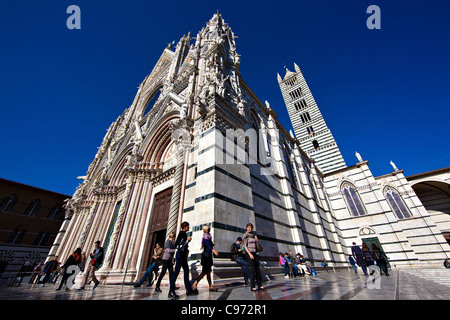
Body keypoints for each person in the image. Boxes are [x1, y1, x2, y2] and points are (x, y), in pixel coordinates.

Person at [168, 221, 196, 298]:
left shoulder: (183, 234)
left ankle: (188, 289)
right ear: (185, 227)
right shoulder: (181, 233)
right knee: (176, 272)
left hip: (183, 256)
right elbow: (178, 245)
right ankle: (171, 291)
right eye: (188, 226)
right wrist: (187, 241)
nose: (188, 228)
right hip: (180, 255)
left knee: (186, 270)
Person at [192, 225, 219, 292]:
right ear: (206, 229)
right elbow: (208, 246)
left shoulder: (208, 236)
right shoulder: (205, 237)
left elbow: (209, 244)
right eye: (208, 228)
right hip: (206, 256)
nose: (209, 229)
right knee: (205, 272)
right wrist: (214, 251)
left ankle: (210, 286)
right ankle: (195, 283)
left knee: (208, 272)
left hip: (208, 255)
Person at [243, 223, 265, 291]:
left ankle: (259, 285)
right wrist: (250, 254)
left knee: (257, 269)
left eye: (250, 227)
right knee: (252, 269)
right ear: (246, 228)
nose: (249, 228)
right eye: (248, 227)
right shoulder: (245, 236)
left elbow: (256, 245)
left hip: (254, 253)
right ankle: (252, 286)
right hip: (249, 253)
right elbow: (245, 246)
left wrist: (256, 241)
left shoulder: (253, 235)